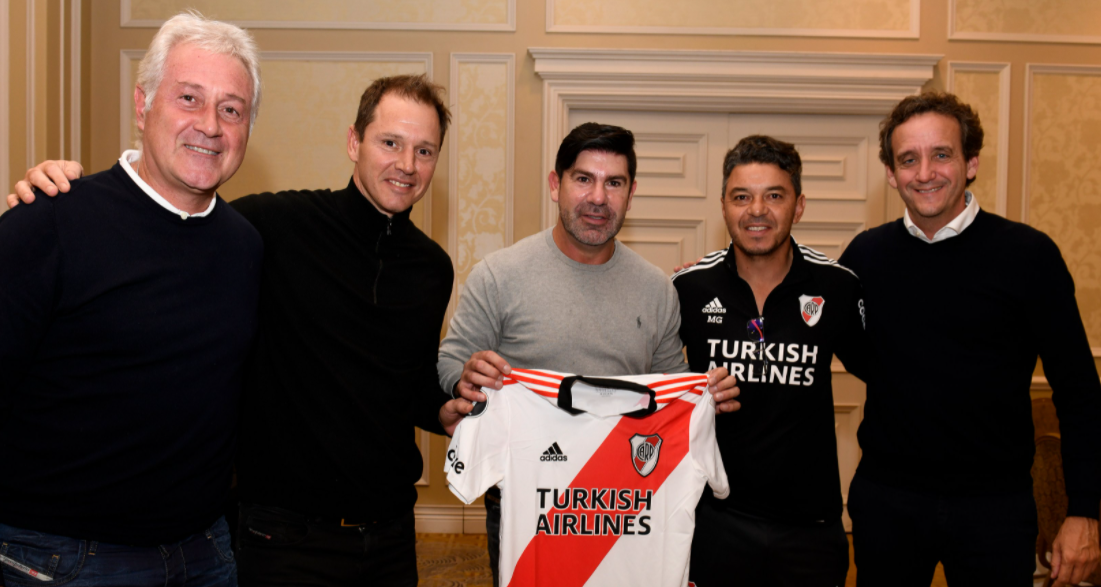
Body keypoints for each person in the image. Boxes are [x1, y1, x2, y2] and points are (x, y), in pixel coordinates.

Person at [8, 75, 471, 586]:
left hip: (389, 537)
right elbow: (168, 216)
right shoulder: (272, 226)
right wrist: (68, 195)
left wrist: (441, 406)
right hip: (281, 539)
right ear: (353, 142)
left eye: (424, 151)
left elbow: (406, 386)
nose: (407, 164)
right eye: (390, 143)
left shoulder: (433, 268)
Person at [0, 12, 264, 587]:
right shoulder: (48, 222)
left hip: (206, 555)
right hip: (59, 560)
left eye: (231, 109)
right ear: (143, 106)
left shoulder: (246, 246)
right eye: (189, 98)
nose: (210, 125)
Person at [438, 122, 741, 585]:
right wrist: (466, 374)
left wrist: (704, 394)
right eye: (583, 179)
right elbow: (449, 361)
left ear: (631, 192)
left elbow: (669, 385)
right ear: (555, 184)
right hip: (529, 500)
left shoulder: (656, 289)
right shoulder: (498, 276)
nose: (598, 197)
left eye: (614, 183)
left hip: (624, 505)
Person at [839, 92, 1101, 587]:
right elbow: (847, 345)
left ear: (971, 162)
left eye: (941, 154)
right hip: (887, 503)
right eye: (908, 159)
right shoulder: (864, 256)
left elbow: (1080, 393)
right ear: (891, 174)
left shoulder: (1029, 256)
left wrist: (1086, 512)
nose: (925, 172)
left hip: (995, 510)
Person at [671, 135, 867, 587]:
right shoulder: (687, 288)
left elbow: (885, 371)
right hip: (714, 521)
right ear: (723, 206)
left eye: (773, 196)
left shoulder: (837, 287)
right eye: (742, 197)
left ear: (798, 206)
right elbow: (654, 386)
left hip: (810, 529)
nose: (756, 210)